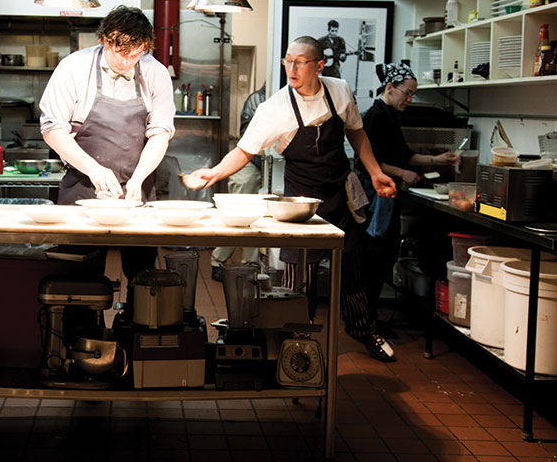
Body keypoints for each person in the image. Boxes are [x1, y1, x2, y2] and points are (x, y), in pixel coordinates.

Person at [190, 36, 398, 362]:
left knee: (355, 269)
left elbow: (356, 132)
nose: (292, 67)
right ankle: (295, 341)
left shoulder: (339, 90)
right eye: (288, 60)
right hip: (299, 205)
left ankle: (363, 328)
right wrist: (215, 172)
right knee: (300, 280)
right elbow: (245, 150)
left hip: (340, 195)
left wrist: (373, 171)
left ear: (319, 66)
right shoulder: (275, 108)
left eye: (300, 61)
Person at [39, 5, 175, 283]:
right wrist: (94, 169)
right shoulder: (74, 67)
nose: (126, 62)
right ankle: (82, 326)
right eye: (120, 53)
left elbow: (160, 133)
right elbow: (53, 129)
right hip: (82, 189)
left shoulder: (155, 72)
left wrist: (138, 180)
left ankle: (137, 326)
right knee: (78, 280)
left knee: (142, 277)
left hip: (138, 192)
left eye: (135, 55)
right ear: (104, 40)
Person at [357, 62, 459, 330]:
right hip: (375, 194)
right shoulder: (375, 116)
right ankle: (366, 319)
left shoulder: (390, 115)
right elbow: (371, 161)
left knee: (386, 253)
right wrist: (402, 173)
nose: (410, 99)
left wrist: (438, 159)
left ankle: (370, 317)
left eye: (413, 94)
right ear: (390, 88)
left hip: (387, 192)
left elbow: (405, 154)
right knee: (376, 254)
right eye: (408, 93)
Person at [210, 84, 266, 281]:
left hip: (265, 163)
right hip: (250, 161)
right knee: (238, 215)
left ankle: (251, 265)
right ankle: (218, 261)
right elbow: (250, 140)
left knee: (256, 219)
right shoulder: (259, 99)